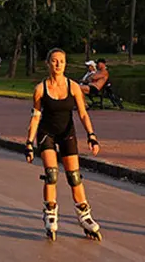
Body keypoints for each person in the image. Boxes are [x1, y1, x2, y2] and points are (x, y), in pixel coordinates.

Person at [25, 48, 102, 241]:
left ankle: (85, 216)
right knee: (51, 174)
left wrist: (91, 135)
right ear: (48, 63)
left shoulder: (73, 86)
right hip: (47, 133)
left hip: (67, 133)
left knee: (74, 177)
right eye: (54, 61)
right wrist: (28, 142)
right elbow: (35, 117)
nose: (58, 64)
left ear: (65, 64)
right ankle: (50, 212)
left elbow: (83, 113)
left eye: (61, 61)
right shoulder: (40, 89)